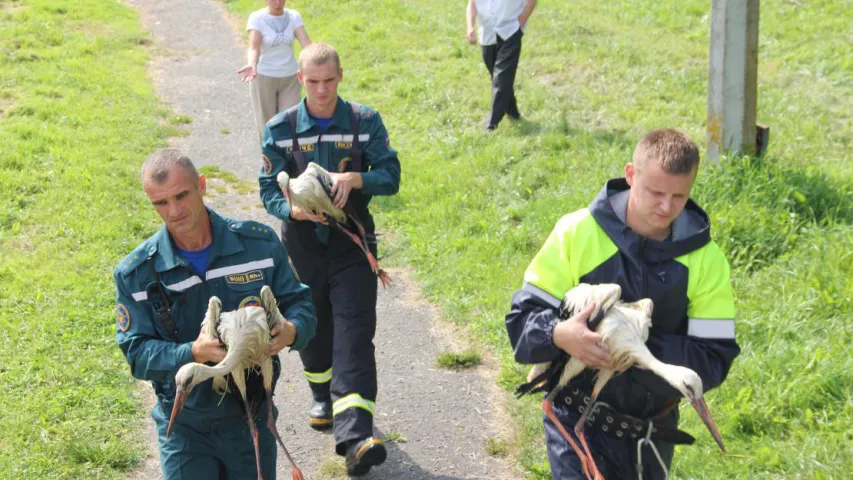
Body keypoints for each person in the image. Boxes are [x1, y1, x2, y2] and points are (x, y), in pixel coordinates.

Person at [505, 129, 741, 479]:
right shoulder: (576, 232)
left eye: (679, 196)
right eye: (656, 192)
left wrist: (629, 347)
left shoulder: (707, 259)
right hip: (573, 417)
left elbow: (714, 357)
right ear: (631, 175)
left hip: (651, 433)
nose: (666, 207)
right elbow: (522, 321)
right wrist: (558, 334)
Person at [114, 149, 316, 479]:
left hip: (249, 417)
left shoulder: (258, 246)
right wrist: (191, 352)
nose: (174, 211)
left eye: (181, 195)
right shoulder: (136, 274)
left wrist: (292, 330)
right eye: (160, 203)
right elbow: (137, 354)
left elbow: (301, 304)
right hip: (184, 427)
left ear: (202, 185)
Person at [258, 43, 401, 476]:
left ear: (340, 77)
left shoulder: (365, 122)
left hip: (353, 244)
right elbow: (268, 190)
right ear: (300, 80)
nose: (321, 90)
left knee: (355, 335)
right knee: (313, 329)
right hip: (302, 246)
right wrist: (292, 209)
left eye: (329, 80)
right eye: (313, 81)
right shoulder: (279, 128)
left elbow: (391, 176)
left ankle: (356, 439)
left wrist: (355, 177)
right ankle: (320, 393)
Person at [238, 0, 312, 139]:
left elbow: (306, 43)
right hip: (264, 77)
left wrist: (319, 62)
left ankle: (288, 159)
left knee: (289, 123)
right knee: (267, 125)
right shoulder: (257, 18)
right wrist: (252, 64)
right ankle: (268, 159)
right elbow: (254, 47)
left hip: (289, 77)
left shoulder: (293, 16)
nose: (278, 3)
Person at [466, 0, 537, 131]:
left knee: (502, 78)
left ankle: (490, 124)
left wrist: (519, 24)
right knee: (497, 77)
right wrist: (470, 27)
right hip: (487, 34)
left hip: (510, 31)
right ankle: (513, 113)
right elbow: (472, 5)